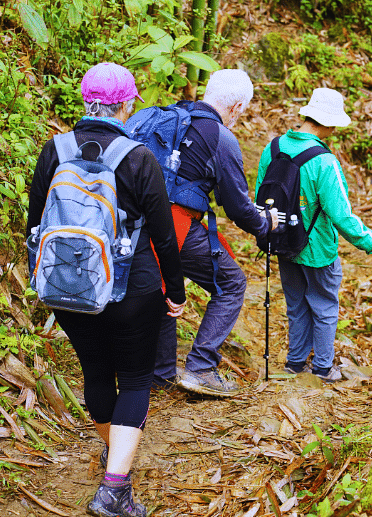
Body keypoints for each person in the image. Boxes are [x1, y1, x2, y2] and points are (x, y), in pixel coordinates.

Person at [27, 63, 186, 517]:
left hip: (67, 287)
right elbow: (163, 237)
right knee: (135, 379)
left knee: (96, 373)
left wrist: (42, 278)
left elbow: (35, 226)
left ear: (84, 101)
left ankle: (114, 451)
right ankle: (114, 487)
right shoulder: (138, 157)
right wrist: (174, 291)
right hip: (132, 292)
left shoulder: (53, 151)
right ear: (126, 104)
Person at [152, 69, 278, 397]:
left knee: (160, 286)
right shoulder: (220, 138)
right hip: (176, 224)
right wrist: (265, 223)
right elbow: (237, 207)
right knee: (232, 283)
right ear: (236, 107)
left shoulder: (168, 119)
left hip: (138, 222)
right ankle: (201, 367)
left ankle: (161, 374)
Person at [255, 88, 372, 382]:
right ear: (328, 123)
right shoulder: (324, 160)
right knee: (324, 307)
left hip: (282, 241)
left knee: (296, 304)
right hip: (317, 249)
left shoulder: (274, 148)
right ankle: (322, 368)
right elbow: (341, 215)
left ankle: (294, 364)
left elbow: (259, 196)